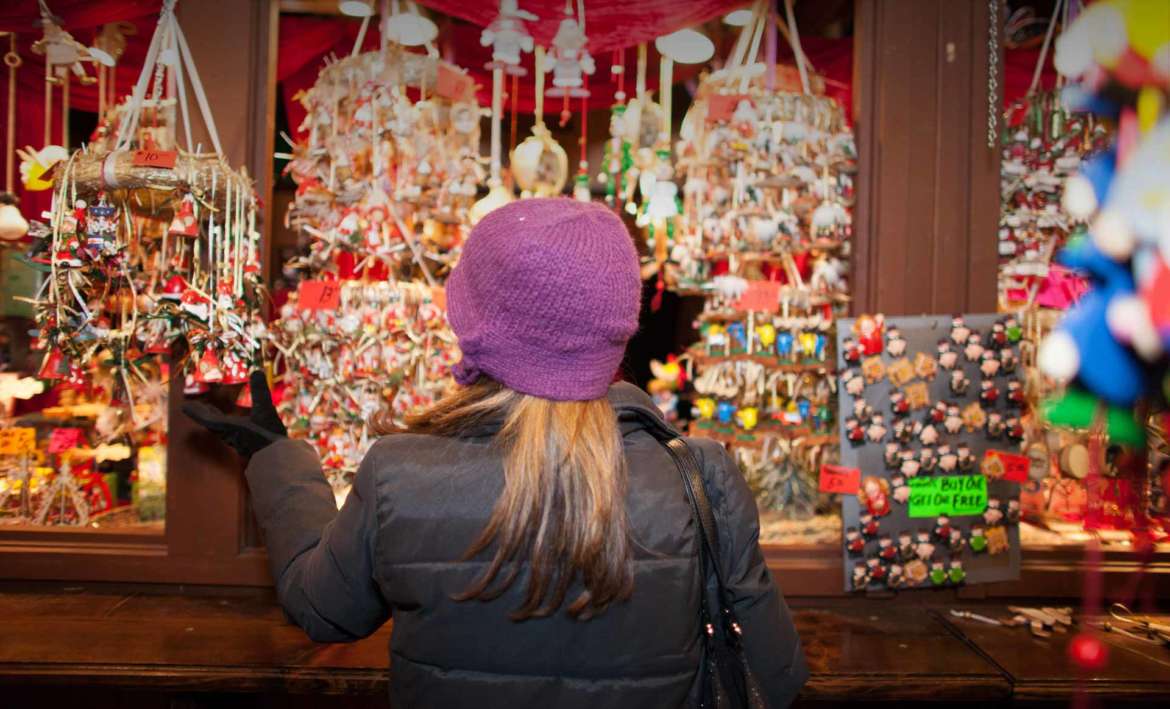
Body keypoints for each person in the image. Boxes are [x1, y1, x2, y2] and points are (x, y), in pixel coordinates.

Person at [185, 198, 807, 708]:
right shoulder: (698, 473)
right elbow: (774, 673)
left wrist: (275, 458)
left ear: (473, 322)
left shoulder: (400, 474)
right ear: (619, 324)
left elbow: (323, 610)